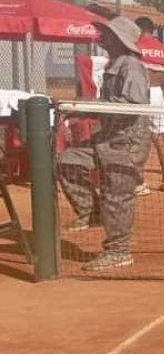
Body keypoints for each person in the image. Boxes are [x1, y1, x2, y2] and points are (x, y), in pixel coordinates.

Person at [59, 16, 152, 271]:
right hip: (108, 136)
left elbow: (133, 106)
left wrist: (91, 107)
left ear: (120, 40)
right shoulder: (115, 63)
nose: (102, 37)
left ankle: (119, 251)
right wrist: (82, 109)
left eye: (108, 34)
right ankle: (93, 212)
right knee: (67, 161)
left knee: (117, 195)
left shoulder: (131, 66)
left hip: (127, 141)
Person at [133, 16, 164, 194]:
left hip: (139, 94)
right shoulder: (163, 48)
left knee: (136, 139)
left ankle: (139, 183)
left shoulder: (134, 46)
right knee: (159, 138)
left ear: (139, 29)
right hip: (158, 94)